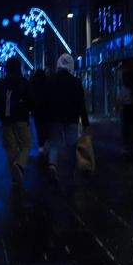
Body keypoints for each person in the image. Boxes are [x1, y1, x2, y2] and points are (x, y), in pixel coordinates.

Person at [0, 58, 34, 187]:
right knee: (26, 144)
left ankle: (14, 177)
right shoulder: (24, 83)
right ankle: (19, 165)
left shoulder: (0, 83)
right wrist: (29, 110)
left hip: (6, 120)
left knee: (10, 148)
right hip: (21, 119)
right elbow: (31, 100)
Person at [46, 53, 90, 182]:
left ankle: (53, 166)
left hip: (54, 117)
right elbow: (81, 103)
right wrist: (85, 122)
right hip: (71, 118)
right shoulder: (75, 82)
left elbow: (46, 101)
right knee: (71, 145)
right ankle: (70, 171)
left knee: (54, 143)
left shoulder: (51, 80)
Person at [29, 69, 49, 157]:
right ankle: (46, 141)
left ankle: (40, 145)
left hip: (36, 110)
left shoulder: (33, 84)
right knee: (46, 126)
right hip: (46, 109)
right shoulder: (47, 83)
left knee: (38, 128)